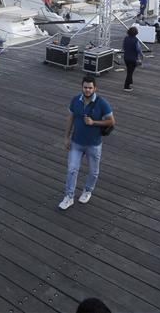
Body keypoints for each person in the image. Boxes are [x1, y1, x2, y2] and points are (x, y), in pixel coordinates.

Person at [60, 76, 115, 210]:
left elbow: (111, 121)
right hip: (76, 142)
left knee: (93, 171)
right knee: (72, 169)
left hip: (94, 144)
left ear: (95, 88)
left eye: (90, 88)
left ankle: (88, 190)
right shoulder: (75, 100)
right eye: (85, 87)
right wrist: (66, 137)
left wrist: (94, 122)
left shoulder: (102, 103)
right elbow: (70, 119)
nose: (87, 90)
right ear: (82, 87)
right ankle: (69, 196)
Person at [122, 26, 143, 91]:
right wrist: (142, 56)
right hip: (133, 58)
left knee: (129, 70)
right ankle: (126, 86)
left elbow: (123, 47)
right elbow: (138, 50)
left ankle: (130, 82)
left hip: (126, 57)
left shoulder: (126, 38)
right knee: (130, 72)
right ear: (136, 33)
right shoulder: (135, 40)